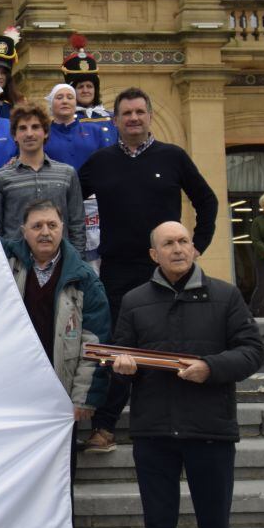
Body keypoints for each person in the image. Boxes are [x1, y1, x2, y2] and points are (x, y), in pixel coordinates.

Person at [111, 221, 264, 528]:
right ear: (153, 255)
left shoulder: (225, 295)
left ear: (194, 249)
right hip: (154, 431)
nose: (177, 249)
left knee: (214, 527)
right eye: (167, 244)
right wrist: (121, 366)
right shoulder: (135, 301)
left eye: (183, 242)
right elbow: (122, 359)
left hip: (210, 428)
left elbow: (252, 350)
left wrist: (211, 368)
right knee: (159, 526)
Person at [79, 87, 219, 453]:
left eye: (140, 112)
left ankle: (171, 424)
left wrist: (196, 245)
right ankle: (105, 427)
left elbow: (207, 200)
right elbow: (68, 201)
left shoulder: (173, 157)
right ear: (115, 120)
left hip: (166, 274)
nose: (134, 118)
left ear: (150, 115)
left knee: (166, 344)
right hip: (117, 272)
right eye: (126, 113)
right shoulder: (99, 162)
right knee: (116, 349)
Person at [0, 200, 110, 528]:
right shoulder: (2, 268)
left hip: (60, 402)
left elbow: (95, 344)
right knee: (16, 484)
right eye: (37, 225)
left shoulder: (83, 279)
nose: (45, 232)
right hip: (13, 399)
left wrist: (83, 399)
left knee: (61, 486)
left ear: (63, 229)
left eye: (52, 225)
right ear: (23, 231)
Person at [0, 102, 85, 252]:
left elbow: (77, 225)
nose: (29, 133)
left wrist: (77, 266)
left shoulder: (67, 174)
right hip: (17, 268)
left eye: (35, 127)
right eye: (23, 128)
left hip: (61, 266)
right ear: (14, 135)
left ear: (45, 132)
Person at [43, 83, 115, 172]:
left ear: (75, 103)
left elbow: (107, 164)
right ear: (51, 104)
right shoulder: (43, 134)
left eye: (70, 97)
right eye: (59, 97)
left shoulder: (95, 131)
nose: (65, 101)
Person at [63, 33, 117, 138]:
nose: (85, 90)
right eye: (80, 87)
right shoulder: (63, 121)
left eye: (89, 86)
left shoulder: (113, 119)